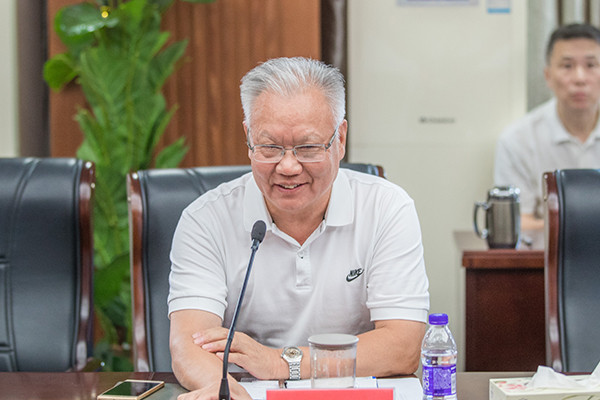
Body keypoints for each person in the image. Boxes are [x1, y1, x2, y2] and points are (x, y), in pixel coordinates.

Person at [168, 57, 430, 399]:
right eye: (270, 147)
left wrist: (279, 362)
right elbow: (190, 345)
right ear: (248, 138)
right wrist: (227, 393)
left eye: (307, 147)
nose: (288, 166)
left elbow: (403, 347)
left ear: (340, 139)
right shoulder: (205, 219)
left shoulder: (386, 208)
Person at [494, 23, 600, 230]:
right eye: (567, 66)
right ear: (548, 76)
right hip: (544, 251)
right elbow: (517, 224)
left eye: (591, 65)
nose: (579, 78)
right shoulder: (517, 140)